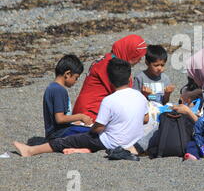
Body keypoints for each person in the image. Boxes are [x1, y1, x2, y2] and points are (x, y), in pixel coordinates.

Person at [13, 58, 149, 157]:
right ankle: (83, 149)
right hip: (132, 140)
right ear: (130, 77)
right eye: (77, 78)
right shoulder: (140, 96)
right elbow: (146, 119)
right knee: (81, 133)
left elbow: (99, 128)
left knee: (76, 138)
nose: (77, 81)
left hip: (108, 141)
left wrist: (92, 127)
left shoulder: (109, 100)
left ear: (110, 80)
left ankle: (31, 150)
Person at [73, 34, 147, 122]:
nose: (139, 60)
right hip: (88, 114)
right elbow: (122, 94)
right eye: (138, 57)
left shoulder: (111, 60)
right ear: (130, 53)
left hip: (93, 110)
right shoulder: (110, 66)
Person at [43, 55, 93, 140]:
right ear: (67, 74)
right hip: (57, 134)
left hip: (56, 132)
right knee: (94, 132)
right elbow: (60, 119)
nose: (76, 81)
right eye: (76, 78)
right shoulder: (59, 90)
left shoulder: (52, 87)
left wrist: (74, 122)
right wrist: (81, 116)